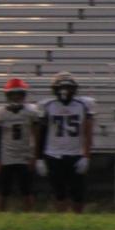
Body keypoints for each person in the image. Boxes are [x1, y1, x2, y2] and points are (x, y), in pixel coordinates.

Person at [40, 73, 94, 214]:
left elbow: (88, 133)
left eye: (68, 88)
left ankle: (77, 220)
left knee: (78, 193)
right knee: (59, 192)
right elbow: (41, 133)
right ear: (55, 89)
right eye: (62, 88)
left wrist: (86, 156)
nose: (65, 91)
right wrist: (40, 158)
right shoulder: (47, 106)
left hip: (75, 154)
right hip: (53, 154)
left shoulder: (83, 105)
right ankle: (61, 219)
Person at [0, 78, 44, 213]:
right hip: (6, 156)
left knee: (27, 190)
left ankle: (29, 216)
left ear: (23, 95)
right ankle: (0, 216)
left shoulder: (31, 112)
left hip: (24, 155)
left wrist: (36, 156)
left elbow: (37, 135)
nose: (16, 97)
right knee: (3, 191)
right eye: (13, 94)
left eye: (19, 94)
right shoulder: (0, 113)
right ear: (7, 95)